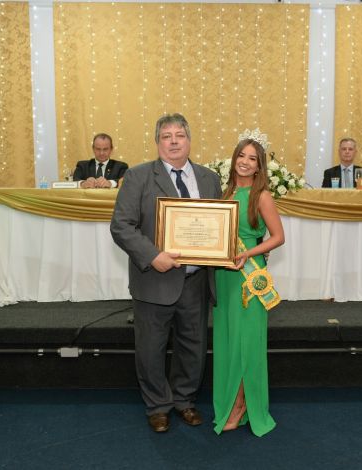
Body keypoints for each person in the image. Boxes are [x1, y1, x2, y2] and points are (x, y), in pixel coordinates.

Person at [110, 113, 222, 433]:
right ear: (157, 142)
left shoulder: (209, 178)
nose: (173, 142)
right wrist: (152, 255)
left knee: (193, 346)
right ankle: (158, 405)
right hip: (154, 279)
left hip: (196, 281)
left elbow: (219, 226)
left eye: (179, 136)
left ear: (189, 140)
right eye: (166, 137)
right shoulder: (138, 176)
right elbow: (121, 226)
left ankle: (184, 400)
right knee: (151, 349)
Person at [212, 136, 285, 437]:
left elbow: (278, 237)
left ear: (259, 167)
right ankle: (231, 401)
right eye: (241, 155)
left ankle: (242, 405)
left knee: (247, 343)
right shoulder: (225, 193)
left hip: (248, 276)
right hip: (224, 276)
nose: (244, 161)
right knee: (229, 342)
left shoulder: (262, 196)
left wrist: (249, 253)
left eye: (252, 158)